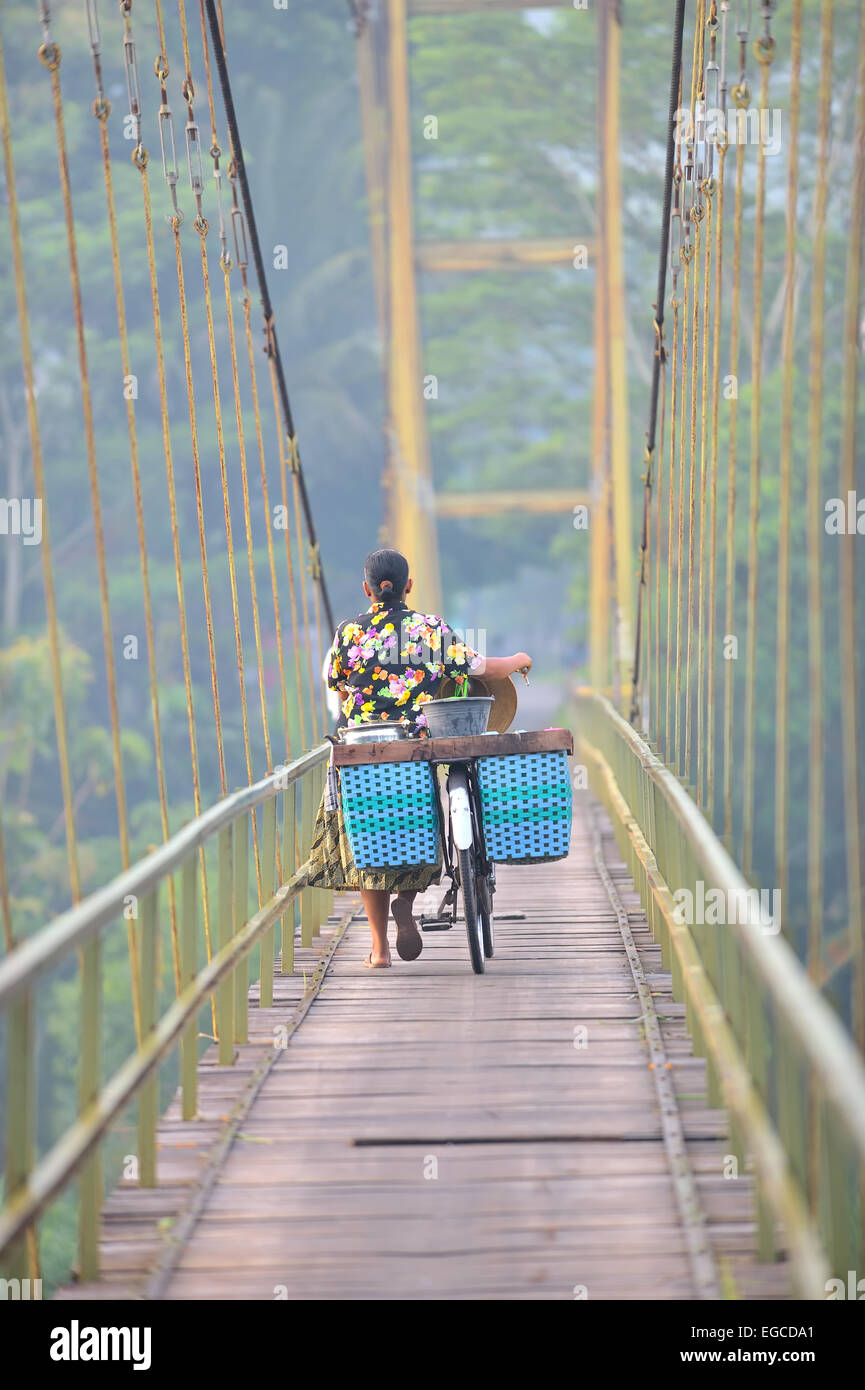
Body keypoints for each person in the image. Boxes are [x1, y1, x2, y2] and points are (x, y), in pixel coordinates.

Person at [305, 547, 533, 968]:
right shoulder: (430, 629)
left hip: (362, 750)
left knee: (366, 840)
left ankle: (378, 948)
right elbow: (483, 668)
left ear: (367, 589)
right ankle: (406, 901)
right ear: (408, 587)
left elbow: (338, 686)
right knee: (417, 826)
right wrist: (518, 660)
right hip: (412, 750)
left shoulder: (348, 633)